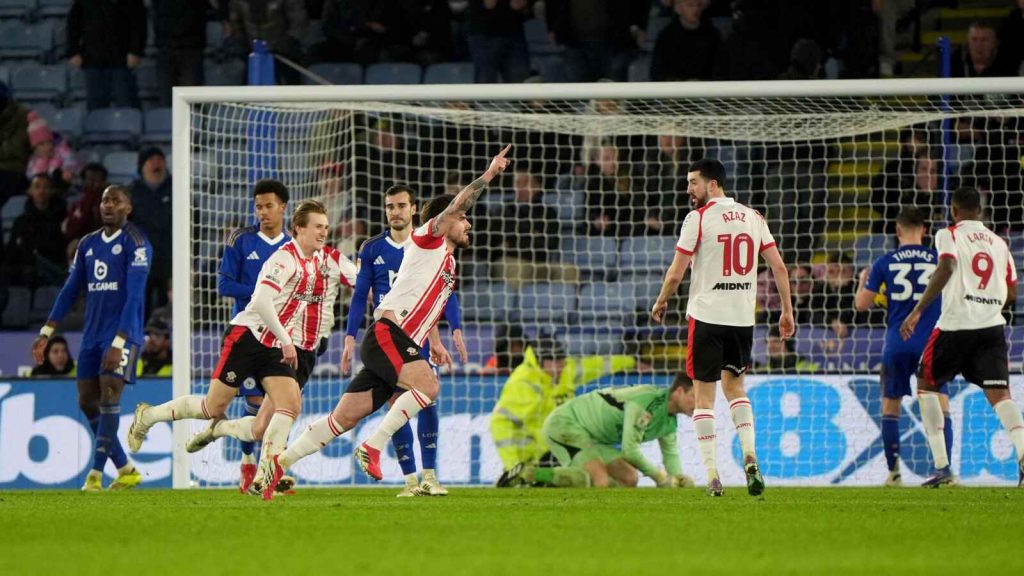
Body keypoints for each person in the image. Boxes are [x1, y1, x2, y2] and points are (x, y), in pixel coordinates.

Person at [252, 145, 512, 499]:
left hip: (396, 341)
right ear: (446, 220)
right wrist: (491, 173)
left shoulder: (449, 265)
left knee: (341, 419)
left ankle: (277, 464)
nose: (468, 224)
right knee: (429, 387)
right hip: (388, 334)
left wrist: (436, 339)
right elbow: (457, 206)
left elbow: (430, 307)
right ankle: (374, 446)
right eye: (464, 219)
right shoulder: (427, 238)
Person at [127, 200, 357, 499]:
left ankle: (264, 473)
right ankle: (148, 416)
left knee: (285, 409)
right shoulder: (283, 259)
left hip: (275, 346)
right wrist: (287, 340)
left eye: (326, 227)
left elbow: (358, 278)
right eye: (317, 227)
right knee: (212, 407)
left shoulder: (325, 259)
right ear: (299, 228)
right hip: (247, 336)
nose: (324, 233)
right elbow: (261, 301)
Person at [651, 158, 794, 497]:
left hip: (707, 317)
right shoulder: (753, 216)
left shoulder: (698, 218)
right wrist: (787, 311)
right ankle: (750, 455)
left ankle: (713, 475)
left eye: (694, 182)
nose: (689, 189)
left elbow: (676, 272)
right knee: (736, 389)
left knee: (704, 397)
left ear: (712, 184)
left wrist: (661, 301)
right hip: (742, 320)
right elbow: (779, 267)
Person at [342, 184, 467, 497]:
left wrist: (450, 330)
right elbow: (360, 295)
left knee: (426, 402)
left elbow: (441, 295)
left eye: (401, 206)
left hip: (420, 335)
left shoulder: (429, 243)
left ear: (414, 209)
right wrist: (349, 335)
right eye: (389, 206)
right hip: (390, 334)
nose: (395, 212)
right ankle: (410, 480)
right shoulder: (372, 248)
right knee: (396, 402)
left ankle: (430, 476)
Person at [899, 187, 1023, 488]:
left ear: (953, 211)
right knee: (1001, 396)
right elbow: (1011, 293)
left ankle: (942, 469)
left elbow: (947, 265)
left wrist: (917, 311)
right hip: (991, 326)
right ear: (979, 211)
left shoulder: (949, 235)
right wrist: (986, 300)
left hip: (955, 325)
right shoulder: (999, 243)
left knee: (927, 385)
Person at [31, 185, 151, 491]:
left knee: (110, 396)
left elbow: (135, 296)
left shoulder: (136, 243)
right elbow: (70, 290)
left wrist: (120, 340)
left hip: (123, 335)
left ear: (128, 207)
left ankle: (95, 475)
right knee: (87, 401)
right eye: (104, 201)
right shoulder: (87, 244)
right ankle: (125, 468)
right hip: (92, 335)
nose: (108, 205)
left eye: (116, 200)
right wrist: (47, 332)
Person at [855, 206, 949, 486]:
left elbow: (861, 305)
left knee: (890, 407)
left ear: (897, 231)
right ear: (926, 230)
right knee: (940, 405)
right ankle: (945, 470)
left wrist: (862, 281)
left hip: (897, 342)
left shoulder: (885, 261)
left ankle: (894, 473)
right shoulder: (939, 259)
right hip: (931, 342)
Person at [216, 179, 290, 492]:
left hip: (281, 335)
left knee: (279, 404)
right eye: (258, 206)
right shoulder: (241, 240)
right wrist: (264, 293)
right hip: (247, 334)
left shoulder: (293, 246)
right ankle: (248, 462)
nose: (263, 212)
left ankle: (268, 471)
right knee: (256, 403)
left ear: (283, 207)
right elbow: (224, 285)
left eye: (269, 206)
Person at [497, 374, 697, 489]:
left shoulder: (669, 421)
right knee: (600, 480)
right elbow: (630, 450)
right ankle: (528, 473)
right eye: (695, 397)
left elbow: (670, 454)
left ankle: (554, 484)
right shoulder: (646, 402)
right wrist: (660, 478)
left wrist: (677, 479)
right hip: (567, 424)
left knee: (629, 479)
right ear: (679, 391)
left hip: (594, 439)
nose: (700, 404)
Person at [489, 333, 641, 473]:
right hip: (541, 455)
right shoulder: (523, 384)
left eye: (561, 360)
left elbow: (598, 364)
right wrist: (514, 466)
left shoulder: (567, 370)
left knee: (627, 476)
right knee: (596, 478)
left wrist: (632, 362)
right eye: (554, 361)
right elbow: (500, 423)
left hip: (570, 444)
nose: (560, 365)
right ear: (540, 362)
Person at [66, 0, 146, 110]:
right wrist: (73, 51)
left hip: (122, 59)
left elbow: (139, 22)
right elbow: (73, 22)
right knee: (95, 107)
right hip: (93, 58)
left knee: (126, 103)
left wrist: (136, 51)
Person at [129, 147, 172, 312]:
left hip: (169, 261)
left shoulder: (178, 189)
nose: (156, 163)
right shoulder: (131, 192)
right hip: (140, 261)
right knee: (140, 308)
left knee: (167, 309)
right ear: (142, 166)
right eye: (151, 160)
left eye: (160, 159)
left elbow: (193, 224)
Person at [5, 174, 68, 287]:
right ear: (30, 191)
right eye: (37, 187)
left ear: (52, 191)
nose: (41, 191)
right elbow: (12, 250)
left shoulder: (61, 218)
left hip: (53, 268)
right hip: (25, 269)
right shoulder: (21, 221)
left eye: (46, 187)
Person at [651, 0, 720, 82]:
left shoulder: (713, 35)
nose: (696, 9)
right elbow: (658, 72)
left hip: (706, 89)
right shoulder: (666, 36)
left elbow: (719, 69)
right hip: (675, 90)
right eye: (690, 5)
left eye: (699, 5)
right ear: (678, 8)